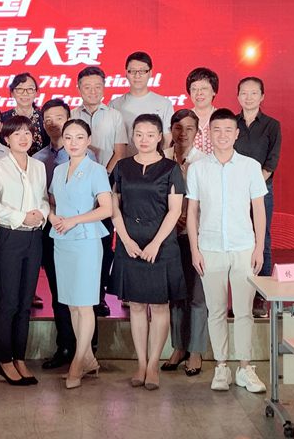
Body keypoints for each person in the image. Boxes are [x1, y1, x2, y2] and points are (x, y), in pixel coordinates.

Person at [187, 108, 268, 394]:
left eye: (228, 130)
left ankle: (245, 367)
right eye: (216, 130)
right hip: (210, 248)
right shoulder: (198, 168)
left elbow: (259, 210)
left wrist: (259, 247)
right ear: (209, 133)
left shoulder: (250, 167)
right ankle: (221, 366)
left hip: (244, 247)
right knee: (216, 311)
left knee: (244, 311)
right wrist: (195, 249)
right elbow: (192, 211)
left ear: (236, 134)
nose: (222, 135)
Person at [110, 114, 185, 390]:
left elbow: (175, 210)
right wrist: (125, 240)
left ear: (160, 137)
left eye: (150, 134)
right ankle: (141, 364)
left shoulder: (170, 168)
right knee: (137, 306)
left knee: (160, 305)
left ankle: (154, 364)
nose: (144, 139)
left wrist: (155, 243)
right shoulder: (122, 167)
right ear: (133, 136)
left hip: (161, 245)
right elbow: (114, 206)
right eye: (139, 134)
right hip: (130, 243)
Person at [0, 116, 49, 386]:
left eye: (27, 133)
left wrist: (41, 214)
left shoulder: (39, 166)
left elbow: (44, 199)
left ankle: (19, 357)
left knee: (24, 303)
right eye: (17, 133)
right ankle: (3, 359)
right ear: (6, 139)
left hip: (34, 238)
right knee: (7, 301)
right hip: (9, 236)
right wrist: (20, 216)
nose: (23, 138)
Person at [48, 119, 112, 389]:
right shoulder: (59, 169)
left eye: (79, 137)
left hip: (86, 240)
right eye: (68, 137)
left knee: (85, 305)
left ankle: (78, 361)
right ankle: (88, 359)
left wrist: (75, 220)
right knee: (72, 303)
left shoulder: (96, 170)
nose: (73, 143)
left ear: (89, 141)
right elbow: (52, 202)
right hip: (62, 240)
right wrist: (52, 216)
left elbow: (106, 209)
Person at [33, 99, 97, 369]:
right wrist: (52, 215)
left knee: (85, 295)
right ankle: (66, 346)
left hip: (82, 232)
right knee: (60, 291)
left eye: (59, 117)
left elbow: (97, 201)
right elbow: (43, 197)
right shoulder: (38, 158)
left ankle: (87, 351)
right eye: (47, 118)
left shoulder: (89, 158)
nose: (53, 123)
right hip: (53, 230)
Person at [72, 66, 127, 317]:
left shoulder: (114, 116)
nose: (92, 91)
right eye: (87, 86)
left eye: (97, 86)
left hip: (105, 186)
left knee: (103, 243)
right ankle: (79, 293)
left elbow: (119, 152)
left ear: (104, 88)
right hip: (77, 189)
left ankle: (99, 296)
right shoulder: (72, 114)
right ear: (79, 89)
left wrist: (101, 178)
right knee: (80, 243)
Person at [162, 109, 208, 377]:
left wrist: (187, 218)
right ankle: (178, 347)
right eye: (178, 128)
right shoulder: (162, 158)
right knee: (176, 295)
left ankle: (196, 350)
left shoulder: (204, 162)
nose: (183, 133)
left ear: (197, 132)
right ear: (171, 130)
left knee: (198, 296)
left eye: (189, 128)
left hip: (197, 237)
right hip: (168, 237)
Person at [234, 77, 281, 285]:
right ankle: (241, 285)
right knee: (238, 237)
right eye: (244, 93)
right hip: (234, 190)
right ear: (238, 96)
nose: (249, 97)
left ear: (262, 96)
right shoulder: (231, 124)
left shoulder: (272, 125)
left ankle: (262, 290)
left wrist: (252, 186)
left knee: (262, 237)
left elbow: (272, 161)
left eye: (254, 93)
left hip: (261, 189)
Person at [110, 51, 174, 154]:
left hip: (154, 161)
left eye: (142, 71)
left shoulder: (164, 104)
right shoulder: (115, 105)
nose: (137, 75)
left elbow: (167, 141)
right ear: (126, 73)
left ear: (150, 73)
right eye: (132, 71)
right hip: (124, 161)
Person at [0, 73, 48, 155]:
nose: (25, 93)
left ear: (36, 93)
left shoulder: (44, 118)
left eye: (30, 89)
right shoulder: (3, 119)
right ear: (12, 93)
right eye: (20, 89)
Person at [185, 67, 219, 155]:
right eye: (194, 89)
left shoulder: (223, 119)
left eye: (204, 88)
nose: (199, 93)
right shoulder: (183, 120)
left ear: (214, 91)